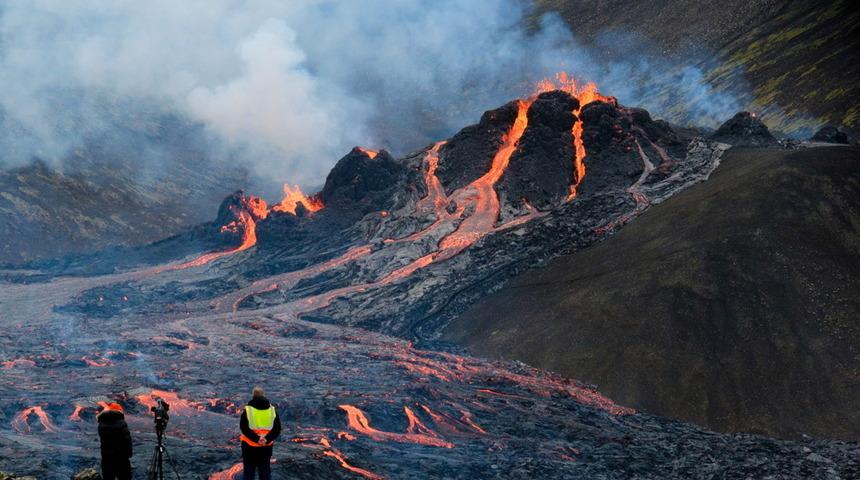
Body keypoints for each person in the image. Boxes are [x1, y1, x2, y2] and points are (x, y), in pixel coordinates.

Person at [239, 387, 282, 480]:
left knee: (249, 473)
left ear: (253, 396)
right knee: (265, 472)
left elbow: (244, 428)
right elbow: (277, 429)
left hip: (249, 446)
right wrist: (266, 439)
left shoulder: (248, 410)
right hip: (266, 447)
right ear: (264, 395)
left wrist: (257, 439)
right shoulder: (272, 410)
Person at [96, 402, 133, 480]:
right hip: (121, 458)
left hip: (106, 458)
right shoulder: (121, 423)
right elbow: (127, 440)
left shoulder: (101, 424)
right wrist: (129, 454)